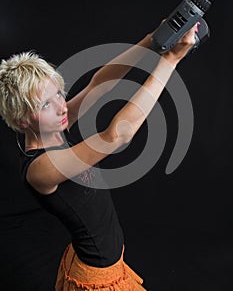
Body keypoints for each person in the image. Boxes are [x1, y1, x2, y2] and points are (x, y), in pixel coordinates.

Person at [0, 23, 197, 291]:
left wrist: (152, 41)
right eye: (46, 104)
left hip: (101, 262)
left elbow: (100, 84)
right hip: (97, 278)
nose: (61, 106)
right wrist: (170, 60)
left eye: (58, 92)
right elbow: (116, 136)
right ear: (22, 121)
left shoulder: (53, 127)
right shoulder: (40, 169)